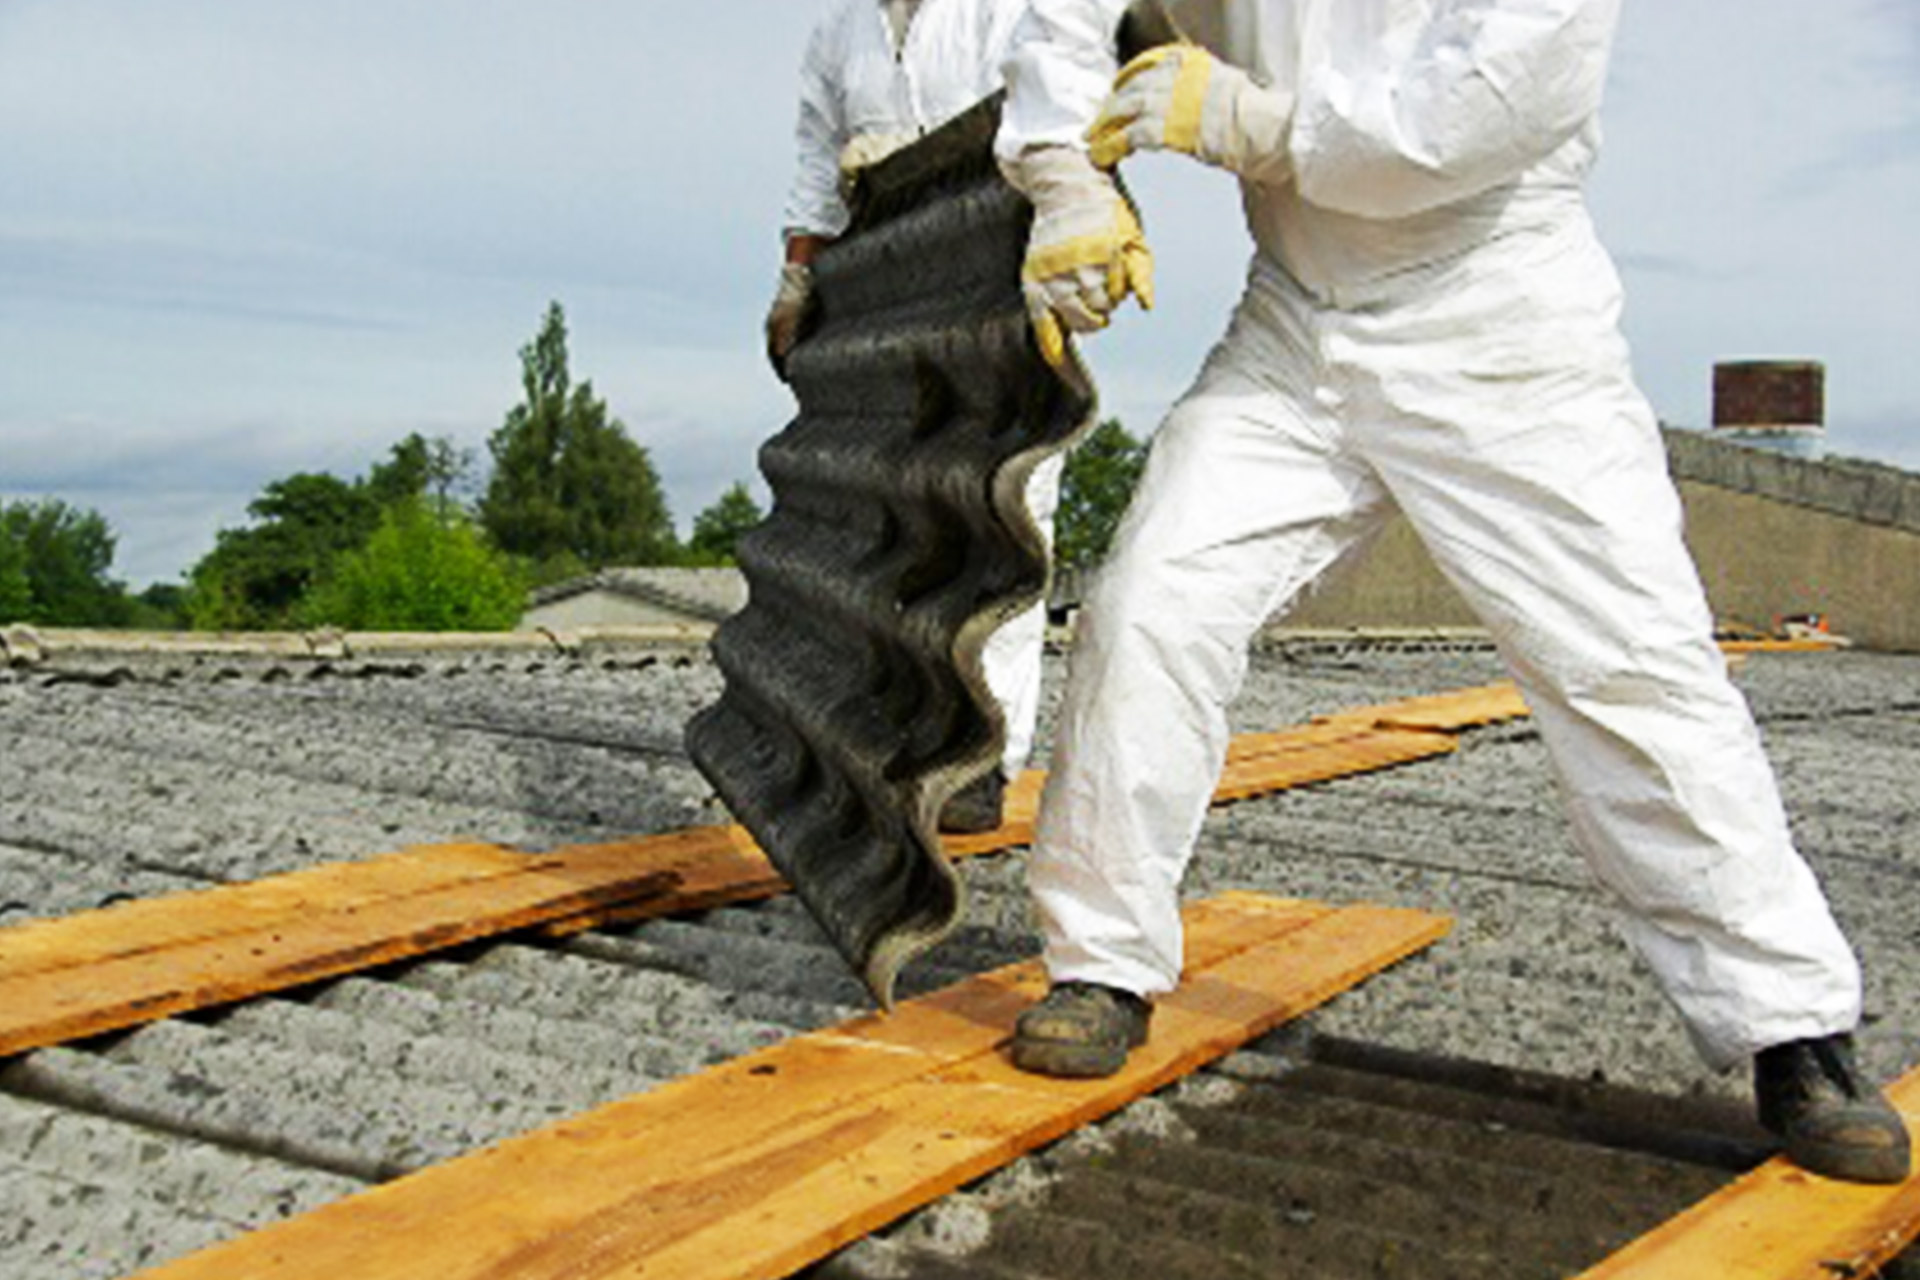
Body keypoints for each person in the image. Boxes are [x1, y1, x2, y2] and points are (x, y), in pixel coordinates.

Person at [991, 0, 1911, 1185]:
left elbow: (1461, 124)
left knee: (1629, 665)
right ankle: (1101, 961)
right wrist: (1071, 182)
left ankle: (1792, 1026)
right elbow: (1065, 21)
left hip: (1499, 320)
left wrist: (1238, 118)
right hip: (1295, 325)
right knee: (1148, 606)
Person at [768, 0, 1063, 833]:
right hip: (889, 285)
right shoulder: (842, 26)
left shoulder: (1013, 8)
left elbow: (1062, 113)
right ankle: (894, 735)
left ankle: (984, 758)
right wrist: (799, 272)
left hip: (1009, 271)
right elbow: (815, 150)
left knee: (1004, 513)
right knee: (896, 514)